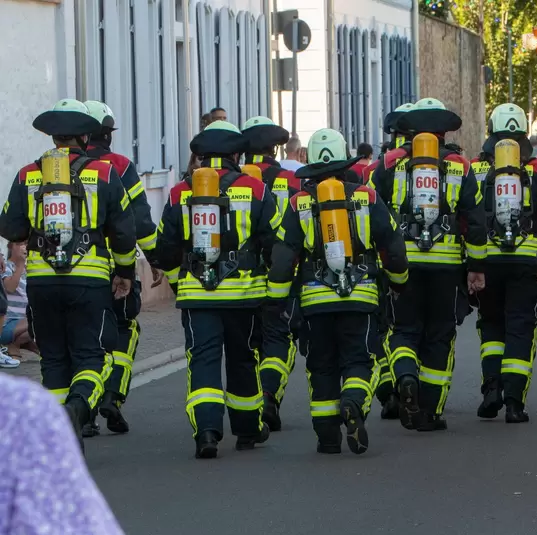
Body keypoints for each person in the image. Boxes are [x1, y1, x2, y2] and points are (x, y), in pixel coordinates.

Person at [0, 99, 136, 448]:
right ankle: (78, 407)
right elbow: (123, 231)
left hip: (42, 283)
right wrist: (124, 272)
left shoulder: (28, 174)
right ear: (86, 136)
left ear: (54, 137)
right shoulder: (105, 173)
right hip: (88, 281)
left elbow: (10, 227)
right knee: (94, 355)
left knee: (54, 357)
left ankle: (60, 436)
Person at [268, 128, 408, 454]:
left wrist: (275, 300)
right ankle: (354, 401)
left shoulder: (298, 203)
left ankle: (327, 438)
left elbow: (283, 256)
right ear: (345, 160)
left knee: (321, 366)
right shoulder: (367, 197)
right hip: (360, 297)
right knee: (359, 358)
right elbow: (392, 244)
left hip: (315, 302)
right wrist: (399, 280)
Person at [156, 120, 279, 458]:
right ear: (236, 154)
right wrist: (273, 281)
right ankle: (247, 429)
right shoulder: (254, 189)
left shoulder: (181, 192)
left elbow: (165, 246)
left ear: (200, 155)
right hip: (244, 297)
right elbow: (273, 241)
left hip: (197, 296)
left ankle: (207, 432)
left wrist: (179, 281)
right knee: (243, 360)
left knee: (203, 360)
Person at [370, 98, 487, 432]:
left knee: (403, 329)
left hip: (401, 264)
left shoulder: (389, 164)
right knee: (439, 335)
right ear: (442, 131)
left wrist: (380, 260)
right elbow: (474, 220)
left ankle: (405, 376)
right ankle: (429, 412)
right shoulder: (459, 165)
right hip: (446, 267)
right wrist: (476, 266)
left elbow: (372, 215)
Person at [0, 374, 144, 535]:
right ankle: (75, 412)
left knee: (54, 366)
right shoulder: (19, 412)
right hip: (46, 425)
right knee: (92, 362)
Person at [470, 103, 537, 422]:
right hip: (526, 260)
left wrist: (470, 263)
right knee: (520, 326)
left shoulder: (477, 169)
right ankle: (514, 403)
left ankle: (491, 386)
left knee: (492, 324)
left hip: (488, 260)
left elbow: (467, 214)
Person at [82, 100, 161, 436]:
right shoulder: (119, 165)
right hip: (115, 266)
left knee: (82, 341)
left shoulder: (54, 168)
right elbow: (139, 220)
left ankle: (82, 415)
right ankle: (112, 395)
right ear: (106, 133)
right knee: (124, 329)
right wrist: (157, 259)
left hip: (66, 272)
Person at [240, 116, 299, 431]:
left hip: (238, 277)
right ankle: (268, 393)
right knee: (278, 338)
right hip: (279, 273)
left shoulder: (234, 181)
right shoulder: (290, 181)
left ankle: (247, 401)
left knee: (245, 342)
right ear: (275, 148)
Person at [367, 103, 414, 419]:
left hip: (387, 259)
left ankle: (390, 390)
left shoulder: (379, 167)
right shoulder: (445, 161)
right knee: (423, 328)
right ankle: (414, 382)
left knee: (387, 329)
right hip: (436, 257)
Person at [2, 243, 36, 360]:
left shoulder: (28, 270)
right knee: (42, 321)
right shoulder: (6, 266)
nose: (24, 247)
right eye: (20, 244)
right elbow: (10, 287)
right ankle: (14, 345)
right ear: (11, 246)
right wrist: (20, 264)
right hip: (7, 325)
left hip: (22, 325)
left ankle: (19, 344)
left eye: (26, 244)